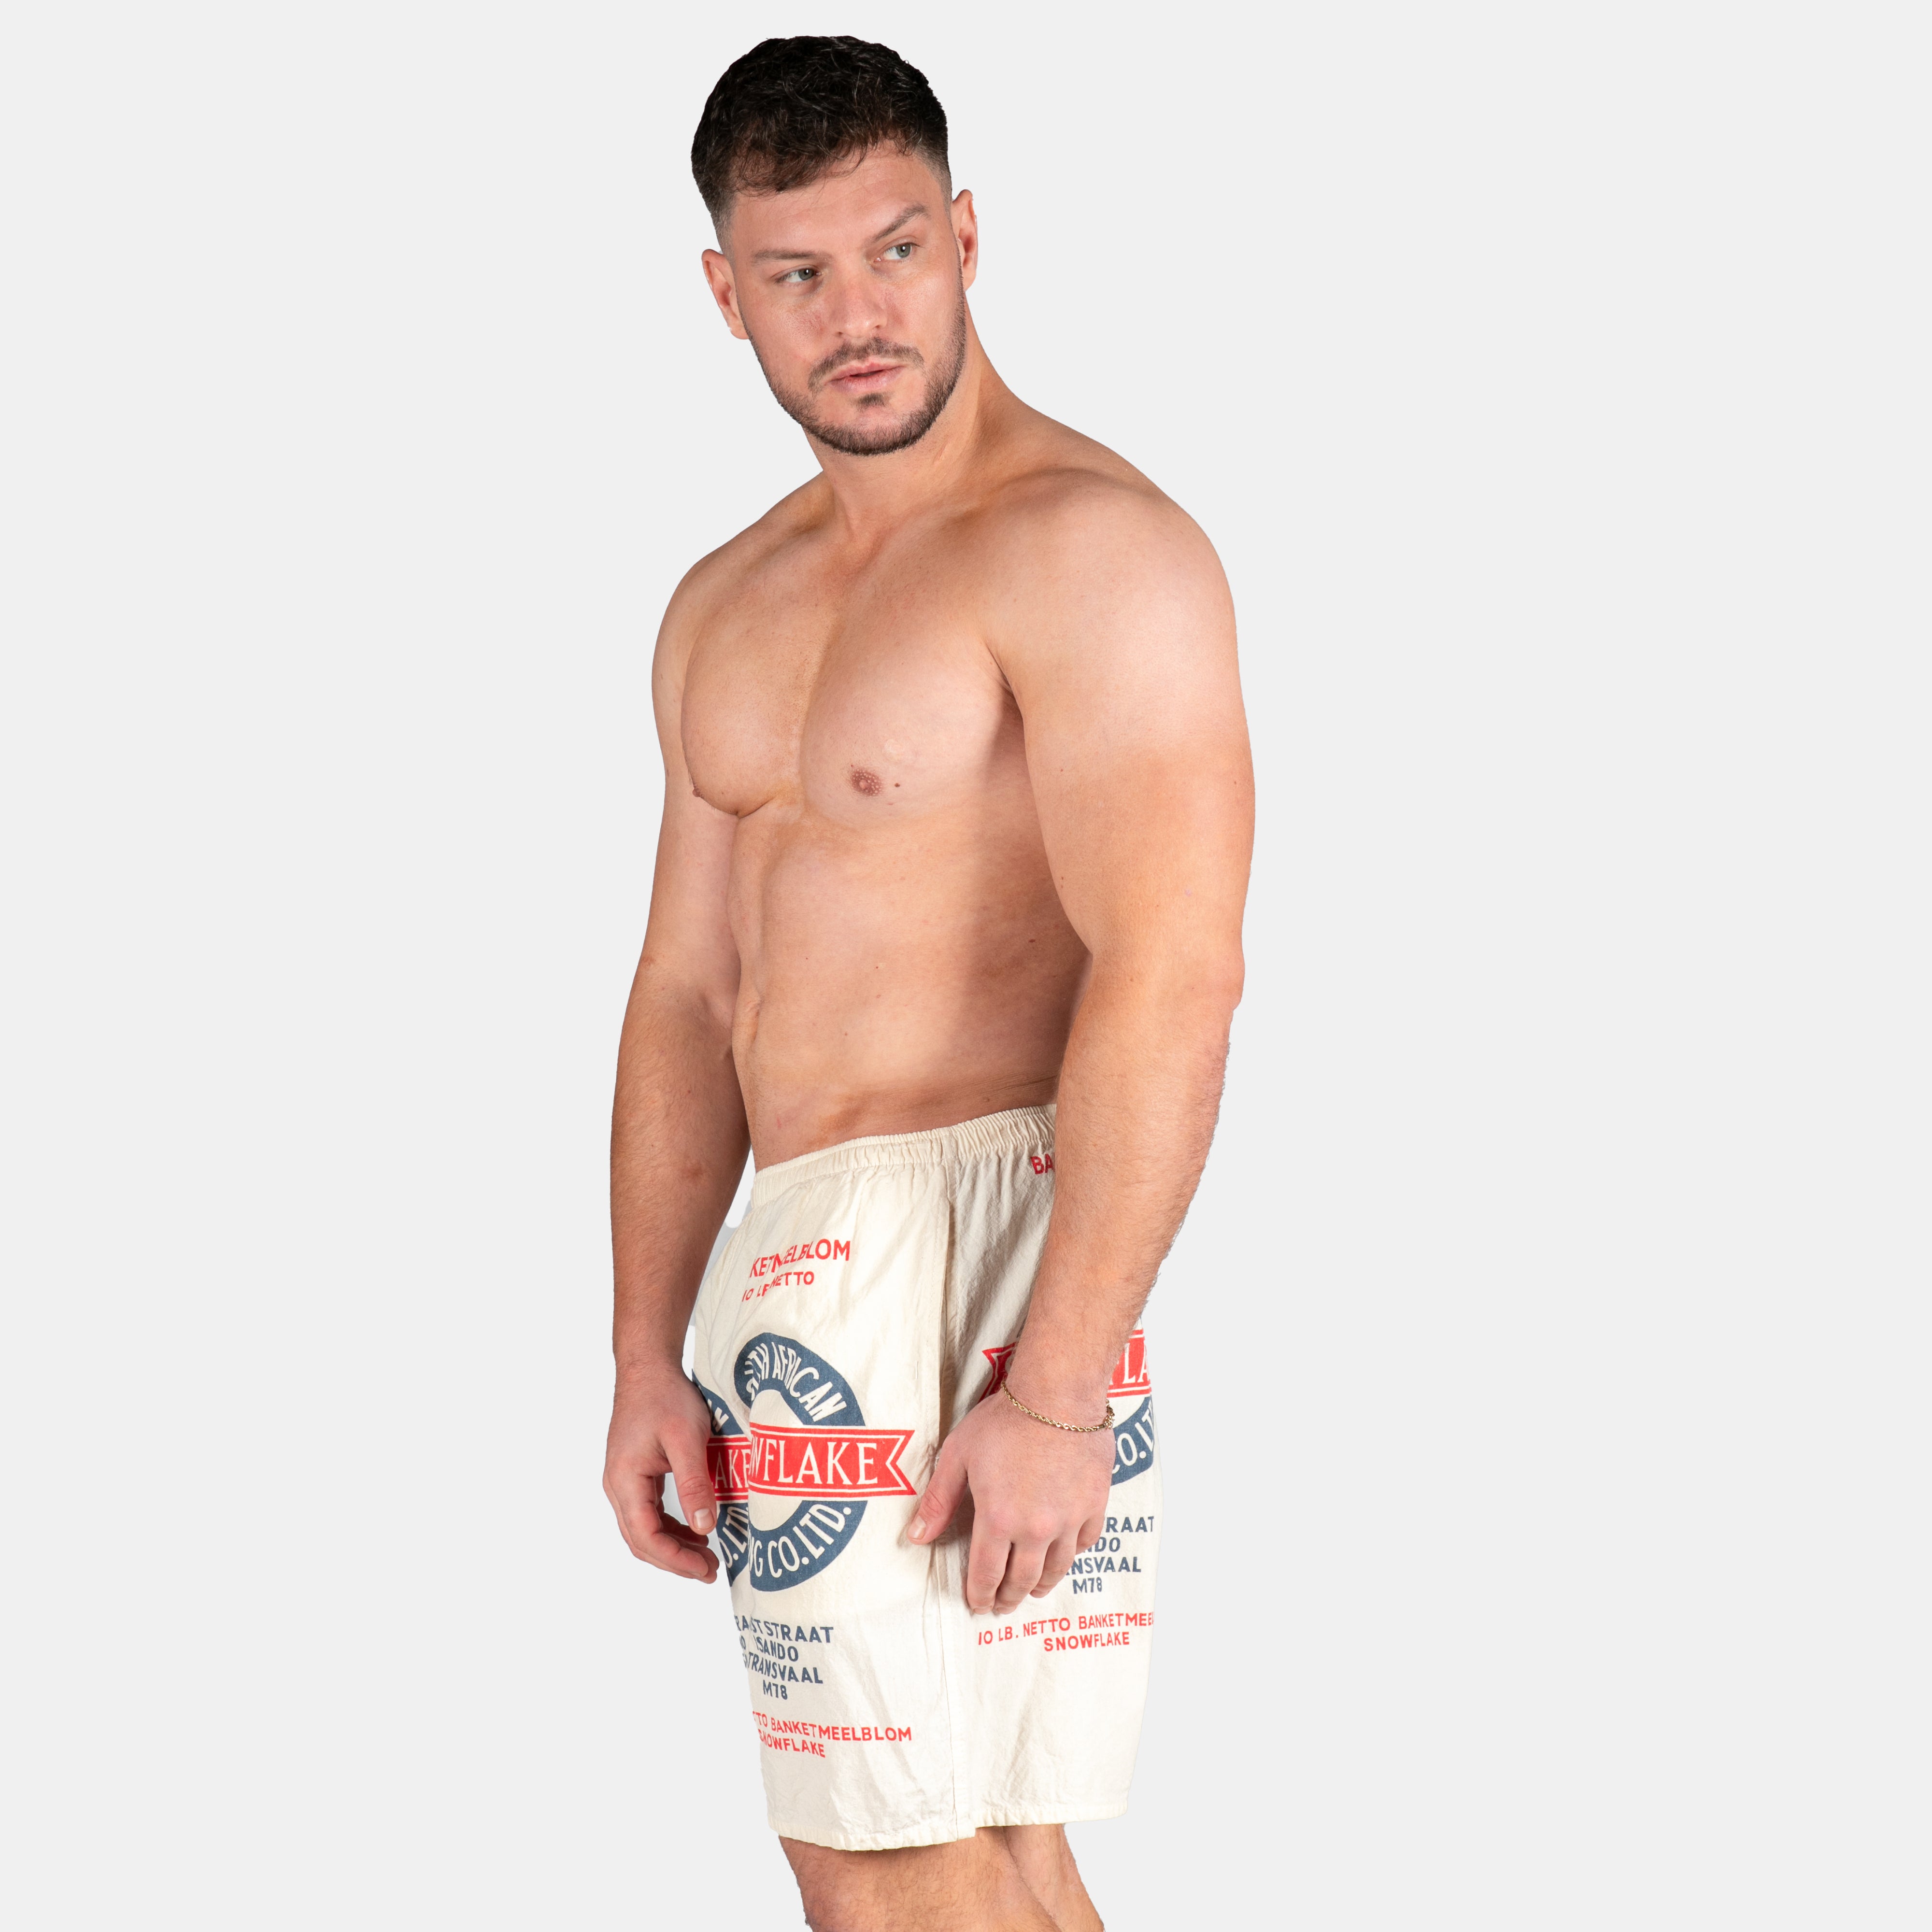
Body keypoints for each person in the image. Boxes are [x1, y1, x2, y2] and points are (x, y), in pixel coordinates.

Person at [602, 36, 1252, 1932]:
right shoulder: (723, 603)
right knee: (990, 1851)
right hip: (800, 1256)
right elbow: (686, 985)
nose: (858, 314)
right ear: (726, 293)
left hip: (988, 1240)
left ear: (966, 238)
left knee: (884, 1867)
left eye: (895, 251)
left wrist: (1057, 1385)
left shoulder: (1090, 551)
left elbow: (1177, 968)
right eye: (797, 274)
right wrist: (643, 1346)